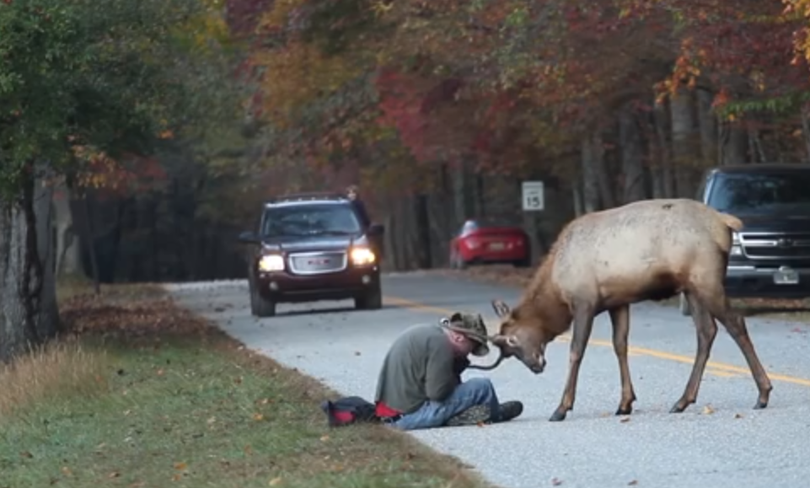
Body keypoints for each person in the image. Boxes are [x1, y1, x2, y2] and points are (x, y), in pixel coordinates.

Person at [373, 312, 523, 430]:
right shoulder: (442, 346)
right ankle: (495, 414)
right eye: (472, 346)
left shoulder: (428, 333)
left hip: (391, 416)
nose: (470, 353)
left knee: (467, 390)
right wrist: (455, 367)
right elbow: (437, 394)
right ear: (459, 337)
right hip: (409, 417)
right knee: (483, 386)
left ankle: (464, 414)